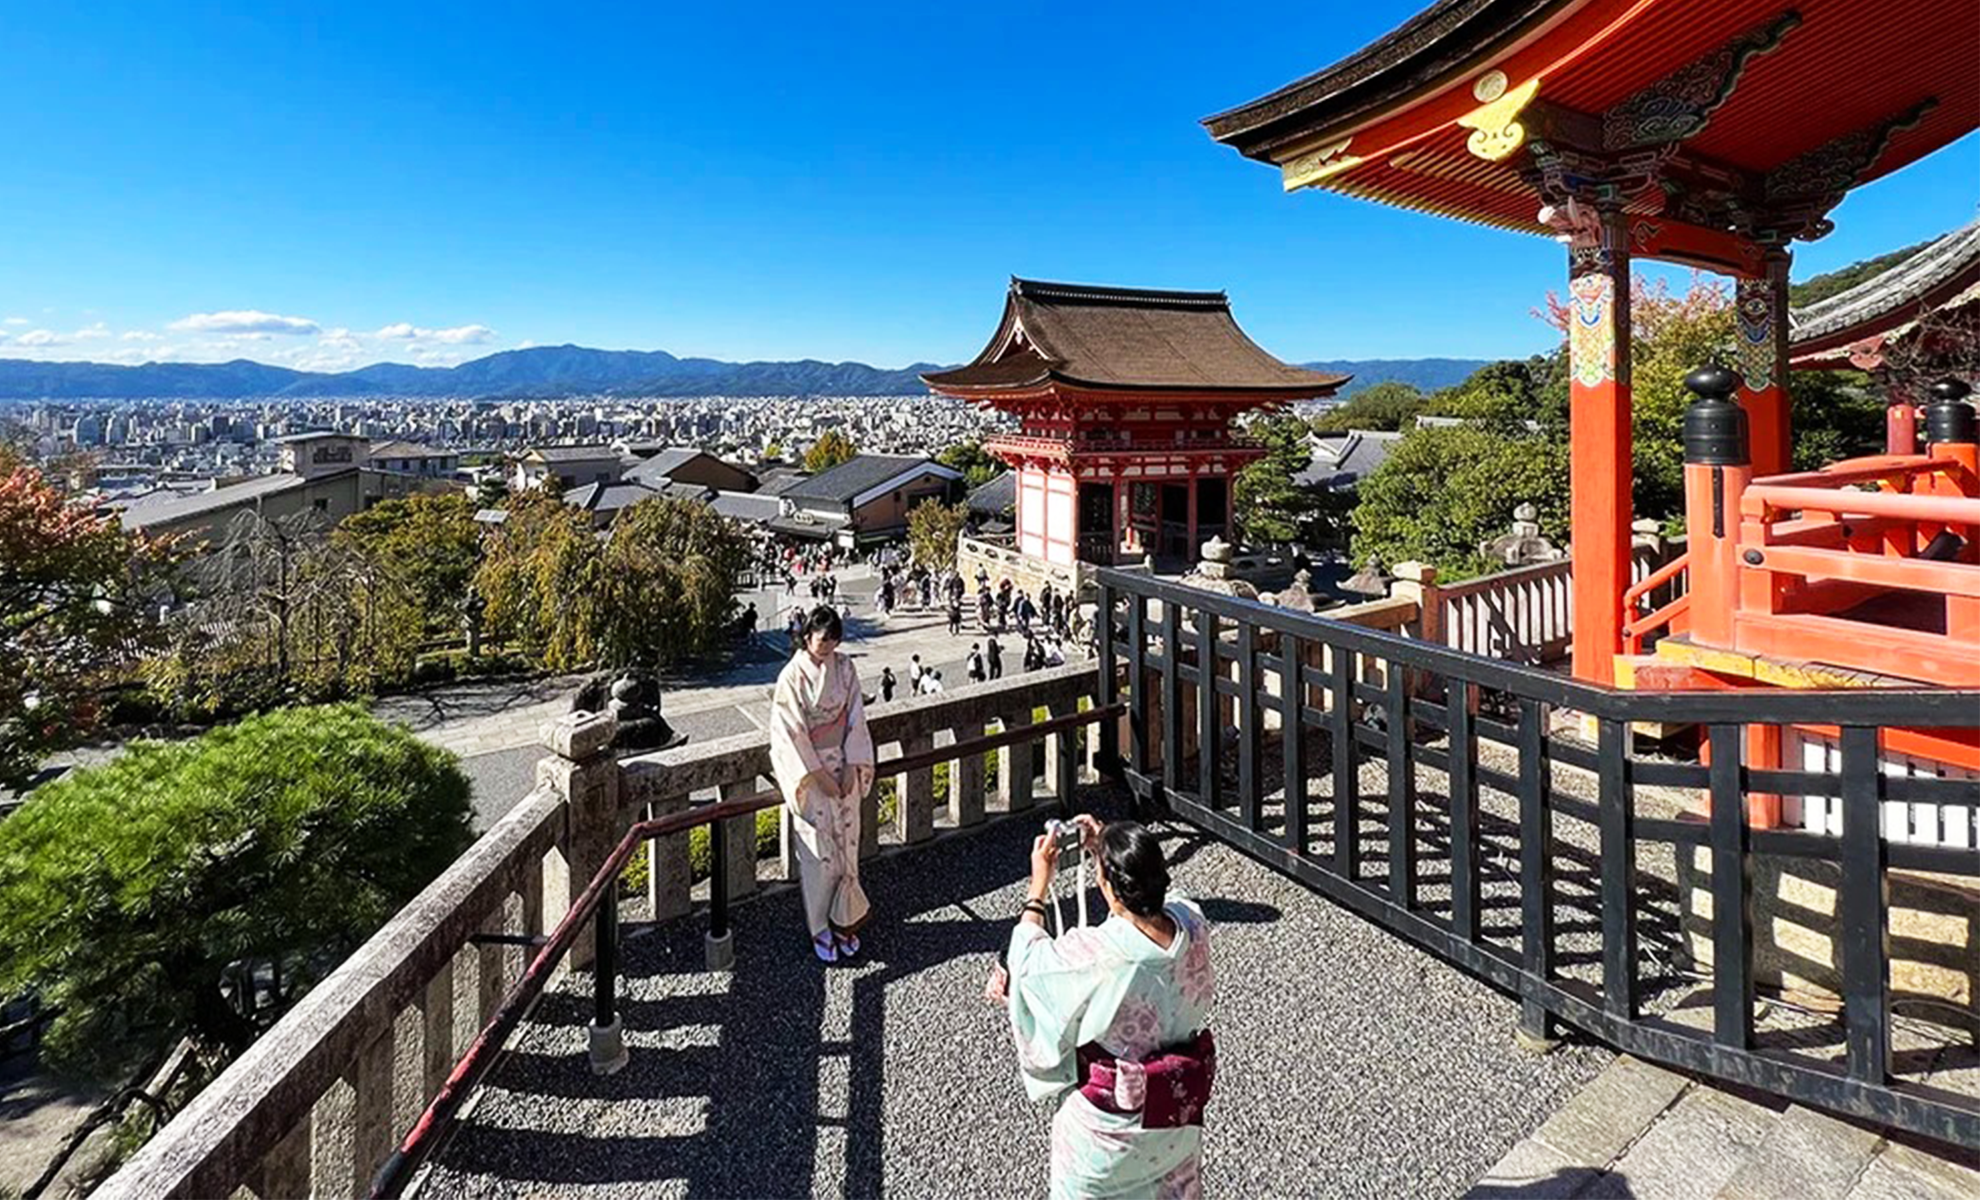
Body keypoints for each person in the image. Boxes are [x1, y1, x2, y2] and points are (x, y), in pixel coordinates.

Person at [987, 817, 1215, 1199]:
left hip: (1107, 1130)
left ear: (1109, 888)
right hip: (1175, 1115)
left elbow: (1027, 967)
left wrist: (1038, 886)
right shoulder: (1193, 924)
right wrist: (1109, 845)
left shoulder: (1099, 953)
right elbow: (1162, 899)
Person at [769, 606, 875, 964]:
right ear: (808, 635)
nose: (827, 645)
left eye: (833, 639)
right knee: (820, 854)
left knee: (848, 845)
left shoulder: (846, 668)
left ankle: (846, 919)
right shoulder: (792, 676)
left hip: (844, 765)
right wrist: (817, 774)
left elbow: (856, 717)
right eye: (821, 638)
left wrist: (853, 764)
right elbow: (790, 732)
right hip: (812, 775)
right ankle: (819, 927)